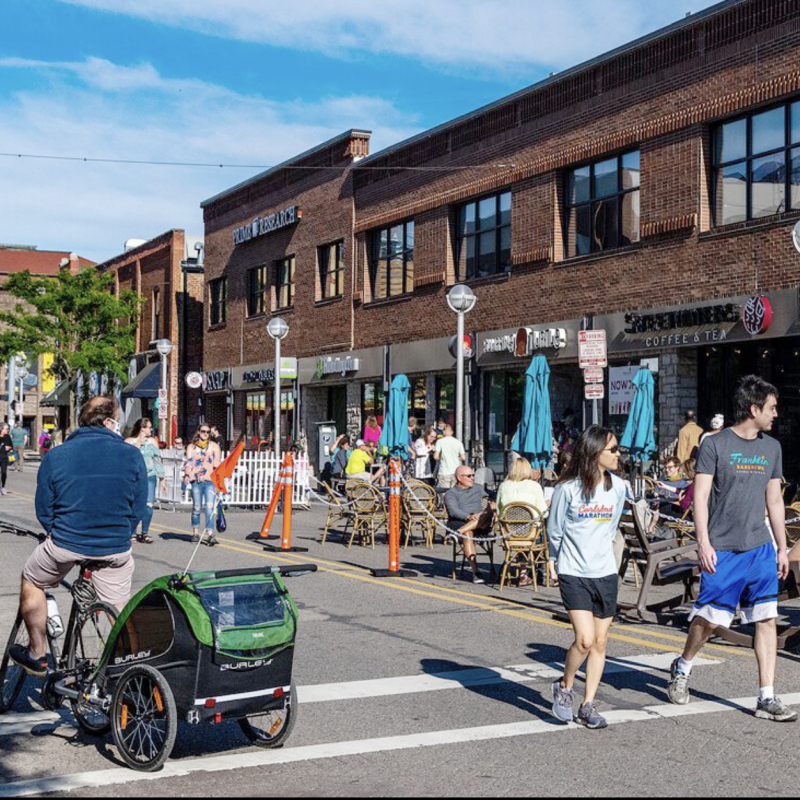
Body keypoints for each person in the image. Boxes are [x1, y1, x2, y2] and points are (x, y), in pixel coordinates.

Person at [667, 375, 797, 723]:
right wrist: (703, 543)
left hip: (759, 548)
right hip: (722, 548)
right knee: (709, 621)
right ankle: (683, 665)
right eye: (771, 408)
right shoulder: (714, 444)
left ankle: (766, 697)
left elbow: (774, 500)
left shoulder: (772, 448)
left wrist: (781, 547)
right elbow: (701, 498)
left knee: (766, 620)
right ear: (754, 409)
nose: (776, 414)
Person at [10, 396, 147, 678]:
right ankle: (131, 668)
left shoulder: (57, 456)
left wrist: (58, 531)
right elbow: (138, 506)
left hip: (66, 543)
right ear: (108, 422)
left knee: (32, 580)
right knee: (120, 607)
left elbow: (44, 508)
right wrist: (123, 532)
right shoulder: (132, 455)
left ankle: (37, 654)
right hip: (114, 547)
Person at [548, 426, 627, 730]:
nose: (618, 454)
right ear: (595, 453)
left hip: (604, 572)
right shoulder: (567, 489)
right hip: (574, 571)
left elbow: (612, 527)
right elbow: (555, 530)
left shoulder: (618, 487)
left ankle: (588, 704)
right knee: (584, 639)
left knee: (600, 642)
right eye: (613, 450)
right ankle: (565, 687)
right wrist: (554, 560)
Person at [497, 457, 550, 587]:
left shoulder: (504, 486)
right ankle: (540, 572)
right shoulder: (534, 486)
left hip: (510, 533)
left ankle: (522, 573)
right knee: (544, 533)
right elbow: (544, 513)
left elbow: (499, 510)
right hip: (530, 533)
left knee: (523, 529)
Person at [444, 465, 495, 584]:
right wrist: (468, 516)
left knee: (485, 514)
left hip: (481, 523)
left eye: (473, 475)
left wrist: (492, 503)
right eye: (468, 476)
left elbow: (491, 495)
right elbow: (453, 511)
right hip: (460, 522)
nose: (472, 478)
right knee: (467, 533)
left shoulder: (478, 488)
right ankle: (476, 572)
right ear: (459, 478)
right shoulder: (451, 493)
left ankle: (457, 533)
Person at [125, 418, 166, 544]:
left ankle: (145, 533)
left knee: (149, 505)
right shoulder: (129, 441)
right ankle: (132, 532)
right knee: (134, 504)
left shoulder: (152, 442)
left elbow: (157, 460)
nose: (151, 429)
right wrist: (138, 445)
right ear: (142, 428)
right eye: (149, 427)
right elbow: (126, 459)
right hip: (134, 477)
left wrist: (162, 478)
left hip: (149, 476)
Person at [183, 424, 222, 546]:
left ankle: (210, 534)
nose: (205, 434)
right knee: (197, 507)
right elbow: (189, 462)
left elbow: (217, 465)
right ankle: (195, 532)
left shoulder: (214, 446)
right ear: (198, 432)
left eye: (208, 432)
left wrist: (218, 482)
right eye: (203, 431)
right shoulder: (191, 447)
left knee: (210, 507)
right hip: (196, 480)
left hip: (210, 481)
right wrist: (187, 474)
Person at [434, 423, 466, 490]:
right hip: (456, 471)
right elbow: (463, 458)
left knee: (443, 492)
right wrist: (457, 458)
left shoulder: (440, 442)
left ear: (444, 432)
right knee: (456, 491)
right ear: (452, 432)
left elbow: (435, 456)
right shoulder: (458, 442)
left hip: (444, 471)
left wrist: (442, 457)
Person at [0, 423, 13, 495]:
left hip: (4, 457)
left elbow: (11, 446)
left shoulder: (8, 437)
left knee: (4, 472)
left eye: (8, 429)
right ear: (1, 429)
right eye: (6, 429)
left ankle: (3, 487)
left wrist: (9, 448)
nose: (8, 430)